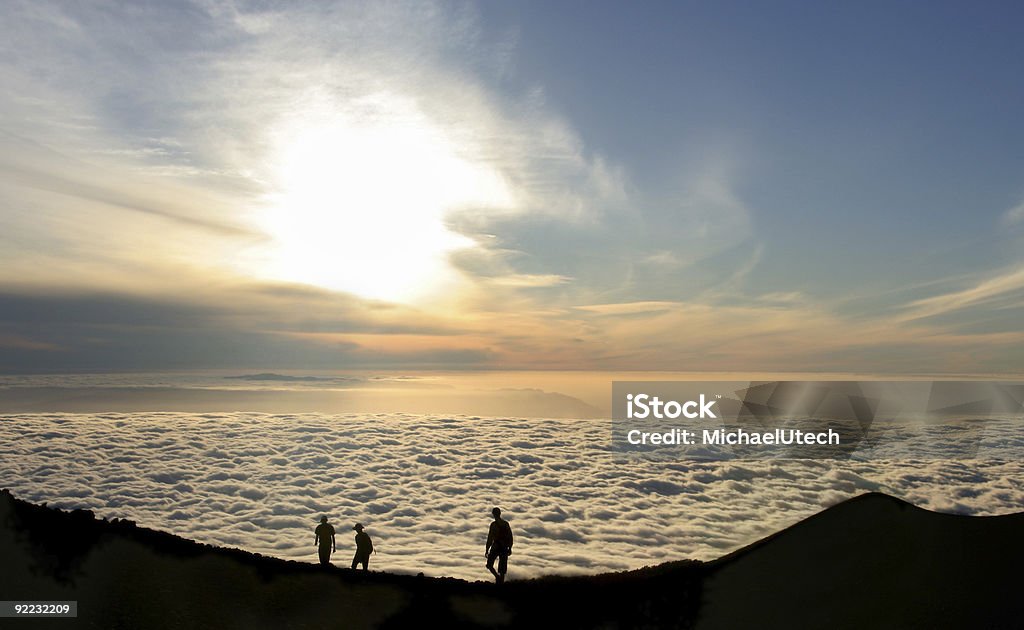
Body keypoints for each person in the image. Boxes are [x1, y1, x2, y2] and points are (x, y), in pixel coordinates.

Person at [485, 507, 514, 584]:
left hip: (495, 547)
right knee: (502, 568)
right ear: (500, 513)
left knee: (489, 565)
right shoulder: (505, 524)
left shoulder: (493, 525)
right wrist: (510, 547)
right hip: (504, 547)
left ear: (493, 514)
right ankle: (501, 583)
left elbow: (490, 538)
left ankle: (497, 578)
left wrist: (487, 549)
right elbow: (510, 537)